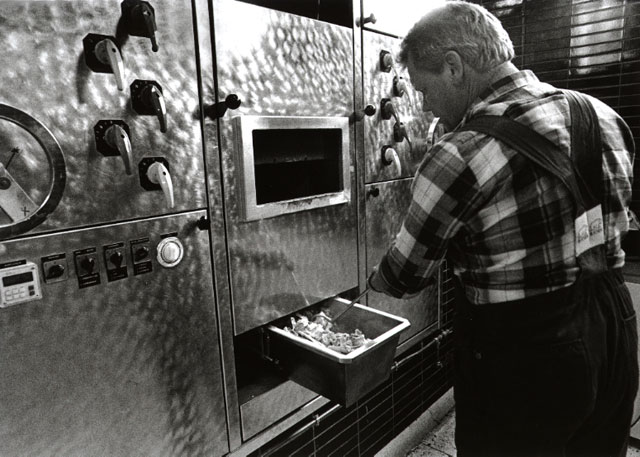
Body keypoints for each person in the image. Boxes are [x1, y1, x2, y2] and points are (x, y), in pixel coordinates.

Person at [367, 2, 637, 456]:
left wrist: (366, 287)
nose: (424, 103)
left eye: (423, 88)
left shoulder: (461, 151)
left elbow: (405, 277)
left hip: (526, 353)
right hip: (614, 325)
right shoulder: (602, 115)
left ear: (453, 67)